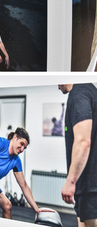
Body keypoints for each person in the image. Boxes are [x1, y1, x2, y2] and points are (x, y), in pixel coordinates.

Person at [58, 84, 97, 227]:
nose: (57, 86)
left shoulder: (79, 93)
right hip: (88, 186)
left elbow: (83, 141)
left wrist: (71, 181)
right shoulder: (91, 91)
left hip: (90, 186)